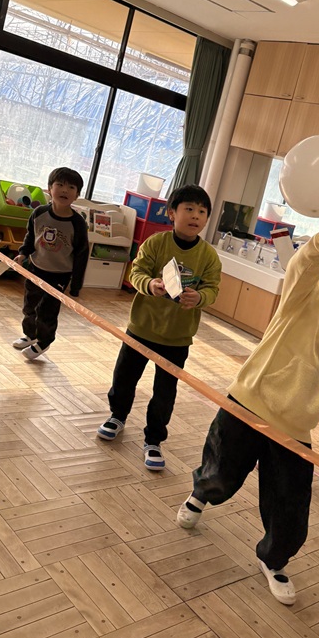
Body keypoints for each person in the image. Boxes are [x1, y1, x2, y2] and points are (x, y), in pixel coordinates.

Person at [176, 220, 319, 604]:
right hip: (250, 400)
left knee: (291, 502)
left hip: (296, 424)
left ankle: (274, 558)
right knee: (221, 468)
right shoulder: (307, 292)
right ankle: (200, 495)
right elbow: (302, 265)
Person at [97, 184, 221, 471]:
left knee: (165, 392)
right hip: (142, 328)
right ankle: (117, 416)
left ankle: (153, 439)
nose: (196, 215)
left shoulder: (208, 256)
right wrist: (149, 284)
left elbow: (213, 289)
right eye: (189, 209)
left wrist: (200, 297)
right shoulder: (156, 243)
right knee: (124, 377)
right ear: (172, 213)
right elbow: (136, 271)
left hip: (177, 338)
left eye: (202, 211)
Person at [12, 167, 89, 360]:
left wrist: (76, 286)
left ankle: (43, 342)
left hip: (59, 275)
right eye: (60, 185)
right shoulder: (39, 213)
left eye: (71, 187)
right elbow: (31, 237)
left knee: (47, 310)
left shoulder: (78, 223)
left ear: (77, 195)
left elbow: (81, 255)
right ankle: (30, 335)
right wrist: (23, 254)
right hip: (36, 268)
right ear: (49, 188)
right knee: (30, 306)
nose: (65, 190)